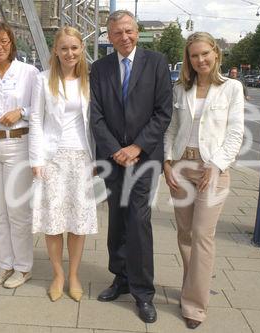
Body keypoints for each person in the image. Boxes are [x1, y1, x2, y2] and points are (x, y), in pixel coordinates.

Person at [90, 10, 172, 323]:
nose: (124, 38)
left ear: (136, 31)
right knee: (117, 219)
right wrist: (115, 151)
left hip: (144, 157)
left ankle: (143, 292)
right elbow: (95, 115)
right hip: (113, 159)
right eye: (116, 34)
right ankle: (120, 277)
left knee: (139, 221)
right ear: (108, 38)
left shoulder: (157, 62)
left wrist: (136, 147)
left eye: (128, 31)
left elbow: (163, 113)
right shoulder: (100, 68)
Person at [163, 32, 244, 329]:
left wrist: (217, 165)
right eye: (194, 56)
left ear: (216, 54)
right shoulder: (180, 88)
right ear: (189, 59)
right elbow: (171, 129)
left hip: (213, 169)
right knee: (184, 234)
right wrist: (167, 161)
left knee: (201, 234)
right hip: (182, 166)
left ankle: (195, 306)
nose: (201, 60)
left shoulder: (231, 88)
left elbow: (235, 133)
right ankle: (191, 288)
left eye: (205, 54)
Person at [29, 26, 97, 302]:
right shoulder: (43, 80)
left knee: (78, 222)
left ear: (81, 50)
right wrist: (36, 159)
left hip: (82, 158)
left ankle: (74, 275)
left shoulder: (90, 81)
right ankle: (58, 274)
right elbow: (35, 119)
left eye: (74, 48)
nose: (69, 53)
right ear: (55, 51)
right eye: (64, 48)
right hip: (52, 159)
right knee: (54, 221)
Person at [0, 22, 39, 289]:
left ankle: (23, 268)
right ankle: (5, 264)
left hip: (17, 145)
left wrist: (21, 112)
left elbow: (39, 107)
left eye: (4, 41)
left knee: (17, 210)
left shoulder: (29, 72)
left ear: (12, 43)